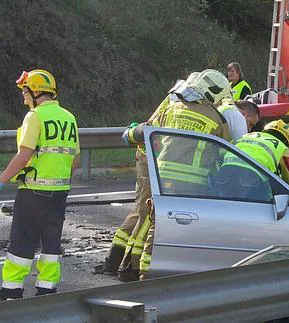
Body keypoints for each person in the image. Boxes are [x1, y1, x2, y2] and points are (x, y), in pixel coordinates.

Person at [118, 69, 232, 280]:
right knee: (177, 229)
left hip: (160, 176)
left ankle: (132, 267)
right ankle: (148, 272)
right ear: (216, 94)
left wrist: (129, 135)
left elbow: (148, 130)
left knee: (153, 222)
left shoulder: (173, 107)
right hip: (192, 183)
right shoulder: (218, 120)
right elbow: (225, 156)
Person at [0, 70, 80, 299]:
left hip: (33, 192)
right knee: (51, 243)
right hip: (59, 193)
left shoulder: (35, 116)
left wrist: (3, 179)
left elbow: (24, 155)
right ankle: (47, 289)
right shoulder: (69, 117)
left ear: (35, 92)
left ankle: (11, 291)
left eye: (25, 92)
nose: (24, 98)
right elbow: (74, 159)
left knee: (22, 243)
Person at [96, 95, 171, 276]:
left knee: (139, 210)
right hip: (153, 158)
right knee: (146, 213)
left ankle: (114, 261)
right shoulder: (184, 107)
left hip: (147, 156)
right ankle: (130, 267)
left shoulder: (172, 102)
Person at [214, 120, 289, 201]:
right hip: (252, 179)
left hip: (225, 171)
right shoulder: (282, 147)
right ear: (285, 141)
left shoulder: (246, 136)